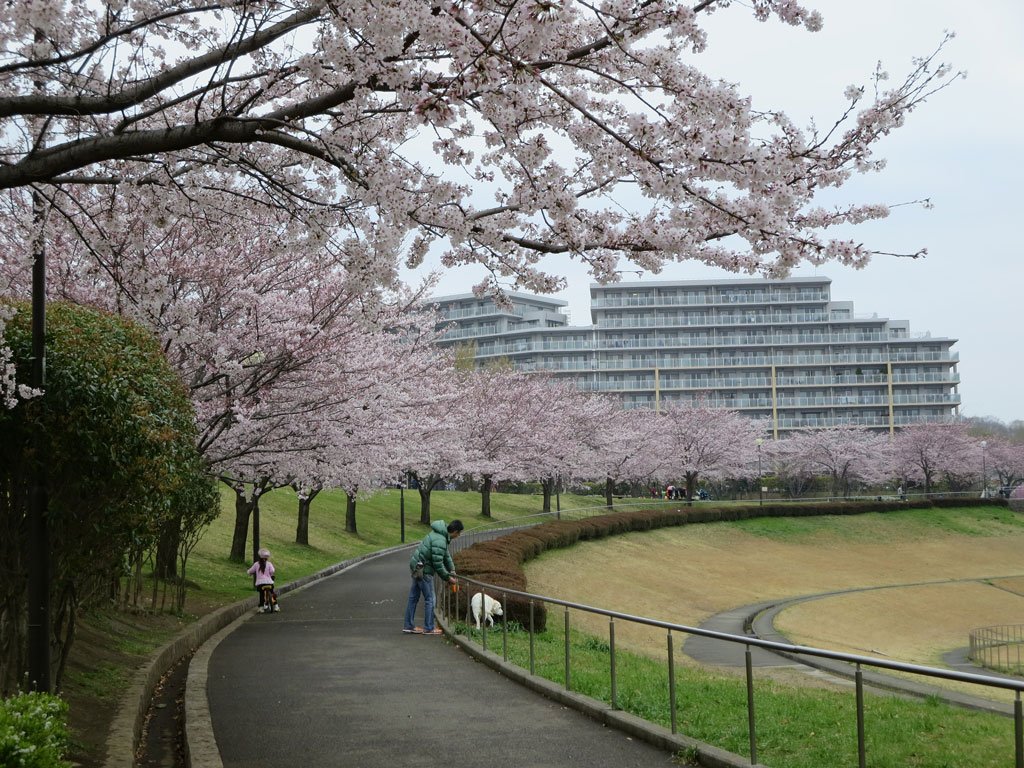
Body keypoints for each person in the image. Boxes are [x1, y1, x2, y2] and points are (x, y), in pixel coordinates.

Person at [403, 519, 463, 635]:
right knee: (430, 599)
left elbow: (445, 555)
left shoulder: (441, 534)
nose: (459, 536)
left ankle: (408, 625)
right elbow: (438, 564)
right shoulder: (440, 540)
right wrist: (448, 578)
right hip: (424, 570)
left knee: (413, 598)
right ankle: (429, 627)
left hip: (417, 566)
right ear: (455, 531)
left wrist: (452, 569)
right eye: (459, 533)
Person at [247, 547, 279, 613]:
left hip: (260, 583)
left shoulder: (256, 564)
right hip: (269, 582)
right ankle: (276, 606)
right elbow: (272, 571)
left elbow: (250, 571)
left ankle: (261, 607)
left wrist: (249, 572)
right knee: (272, 593)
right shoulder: (269, 564)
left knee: (261, 594)